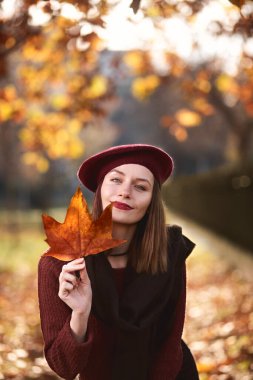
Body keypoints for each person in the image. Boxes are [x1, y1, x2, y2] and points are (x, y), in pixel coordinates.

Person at [38, 144, 199, 380]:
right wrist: (80, 313)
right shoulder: (60, 264)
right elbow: (65, 367)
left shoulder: (169, 252)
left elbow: (170, 341)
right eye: (116, 180)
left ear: (152, 201)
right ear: (100, 187)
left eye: (140, 186)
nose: (125, 192)